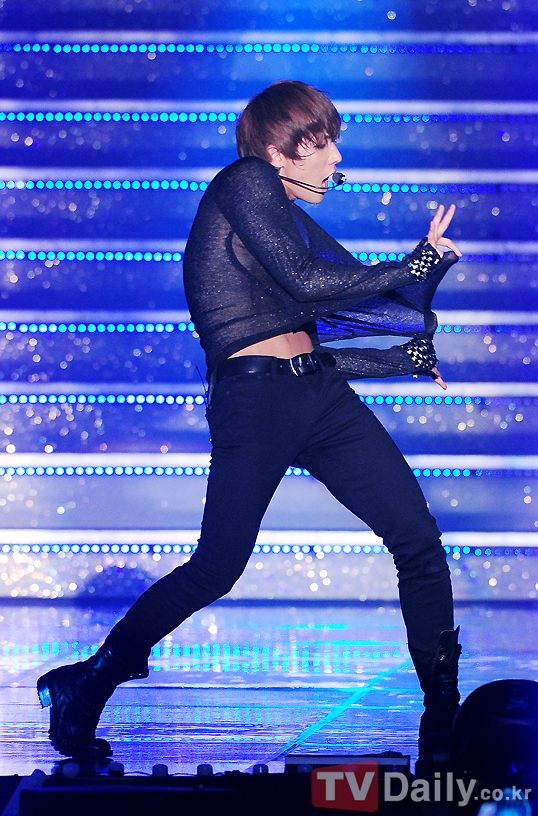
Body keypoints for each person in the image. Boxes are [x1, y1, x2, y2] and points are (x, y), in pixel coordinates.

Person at [37, 80, 463, 758]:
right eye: (321, 143)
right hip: (255, 402)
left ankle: (443, 716)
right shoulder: (244, 182)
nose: (336, 158)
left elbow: (351, 312)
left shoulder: (288, 216)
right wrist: (413, 263)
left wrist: (409, 329)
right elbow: (308, 281)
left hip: (320, 395)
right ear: (276, 149)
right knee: (217, 567)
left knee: (417, 539)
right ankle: (88, 682)